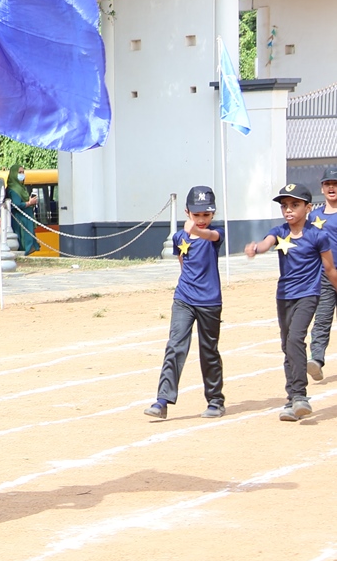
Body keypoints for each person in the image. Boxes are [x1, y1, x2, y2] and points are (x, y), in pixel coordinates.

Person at [245, 182, 337, 422]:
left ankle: (300, 396)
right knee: (288, 346)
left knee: (296, 338)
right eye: (285, 205)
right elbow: (266, 243)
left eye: (294, 205)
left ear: (308, 208)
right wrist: (257, 248)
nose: (288, 210)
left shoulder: (318, 236)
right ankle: (292, 400)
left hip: (308, 294)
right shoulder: (279, 231)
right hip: (284, 296)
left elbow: (329, 269)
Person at [144, 186, 225, 420]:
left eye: (206, 215)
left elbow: (210, 236)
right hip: (184, 298)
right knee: (175, 345)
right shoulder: (180, 237)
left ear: (213, 214)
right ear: (187, 212)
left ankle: (216, 401)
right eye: (196, 214)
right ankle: (162, 400)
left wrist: (198, 231)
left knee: (208, 351)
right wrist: (187, 286)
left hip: (210, 301)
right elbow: (183, 261)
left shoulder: (216, 234)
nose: (201, 220)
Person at [307, 165, 337, 383]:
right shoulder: (313, 216)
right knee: (322, 318)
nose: (331, 188)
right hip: (325, 276)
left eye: (335, 184)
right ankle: (316, 360)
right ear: (322, 187)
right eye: (328, 184)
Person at [5, 165, 40, 256]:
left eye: (22, 172)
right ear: (13, 174)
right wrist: (29, 203)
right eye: (19, 172)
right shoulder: (13, 189)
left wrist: (31, 201)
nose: (22, 174)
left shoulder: (22, 187)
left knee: (29, 238)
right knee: (24, 239)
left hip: (26, 217)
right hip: (20, 219)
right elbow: (16, 205)